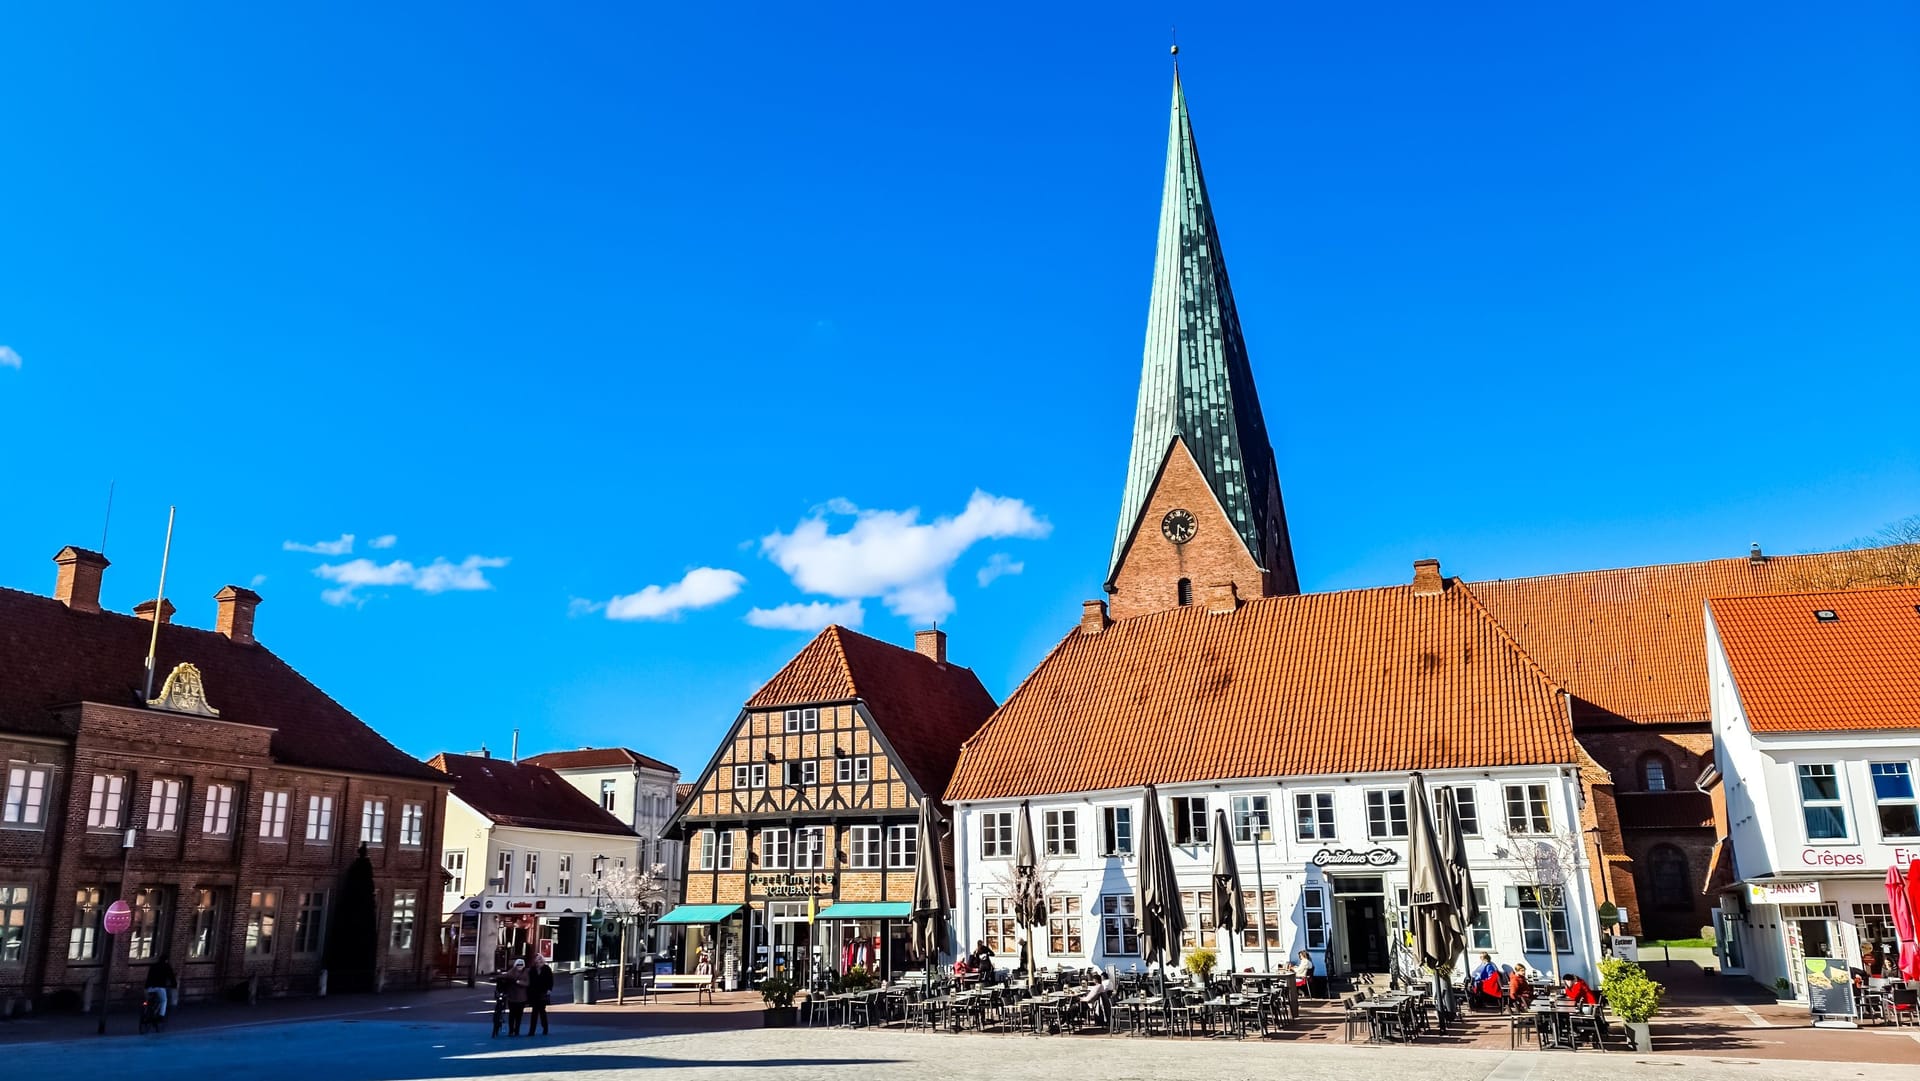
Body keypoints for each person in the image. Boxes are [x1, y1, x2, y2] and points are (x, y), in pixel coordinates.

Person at [491, 958, 530, 1037]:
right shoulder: (512, 971)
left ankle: (517, 1030)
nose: (520, 966)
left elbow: (527, 983)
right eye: (518, 965)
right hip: (512, 996)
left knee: (519, 1015)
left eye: (521, 964)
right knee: (512, 1014)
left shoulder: (526, 972)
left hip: (522, 997)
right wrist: (496, 977)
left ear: (524, 965)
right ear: (515, 965)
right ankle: (511, 1030)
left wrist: (518, 982)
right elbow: (505, 975)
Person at [144, 954, 178, 1019]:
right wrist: (174, 985)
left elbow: (149, 977)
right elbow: (171, 977)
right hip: (160, 987)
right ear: (166, 960)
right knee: (164, 1000)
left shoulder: (153, 966)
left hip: (150, 987)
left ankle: (145, 1011)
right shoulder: (167, 966)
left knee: (147, 1000)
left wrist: (146, 986)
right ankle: (161, 1015)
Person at [527, 955, 555, 1036]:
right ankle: (532, 1031)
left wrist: (549, 989)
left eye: (539, 960)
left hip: (543, 992)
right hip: (534, 993)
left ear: (542, 960)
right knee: (534, 1012)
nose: (538, 962)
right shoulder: (532, 969)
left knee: (542, 1011)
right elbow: (530, 981)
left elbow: (550, 980)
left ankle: (545, 1028)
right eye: (537, 960)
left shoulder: (546, 968)